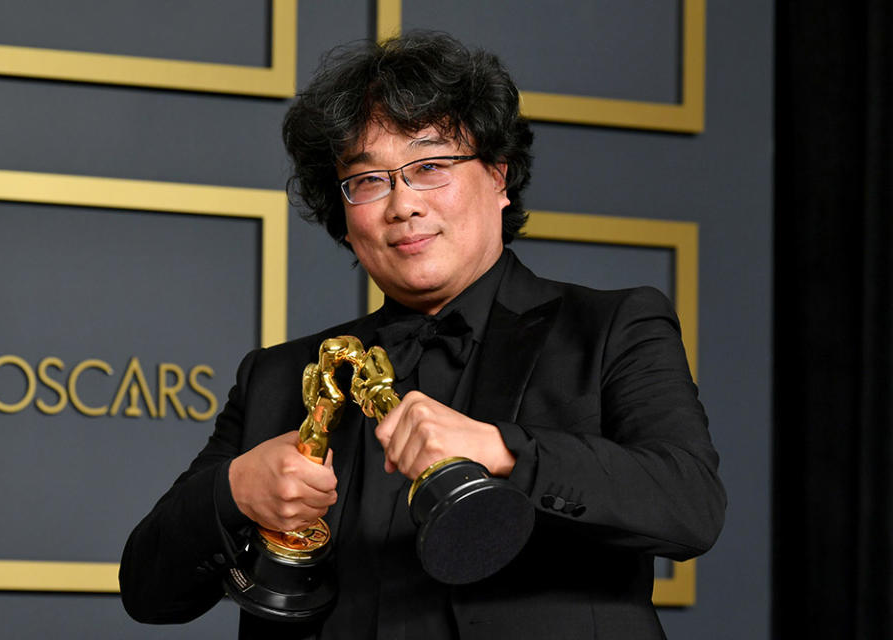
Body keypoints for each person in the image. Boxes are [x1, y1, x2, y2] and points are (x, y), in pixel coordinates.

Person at [120, 32, 726, 640]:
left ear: (499, 175)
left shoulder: (612, 326)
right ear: (345, 216)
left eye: (431, 166)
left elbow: (689, 506)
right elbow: (148, 591)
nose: (402, 204)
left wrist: (503, 450)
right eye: (368, 180)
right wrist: (233, 491)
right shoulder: (279, 376)